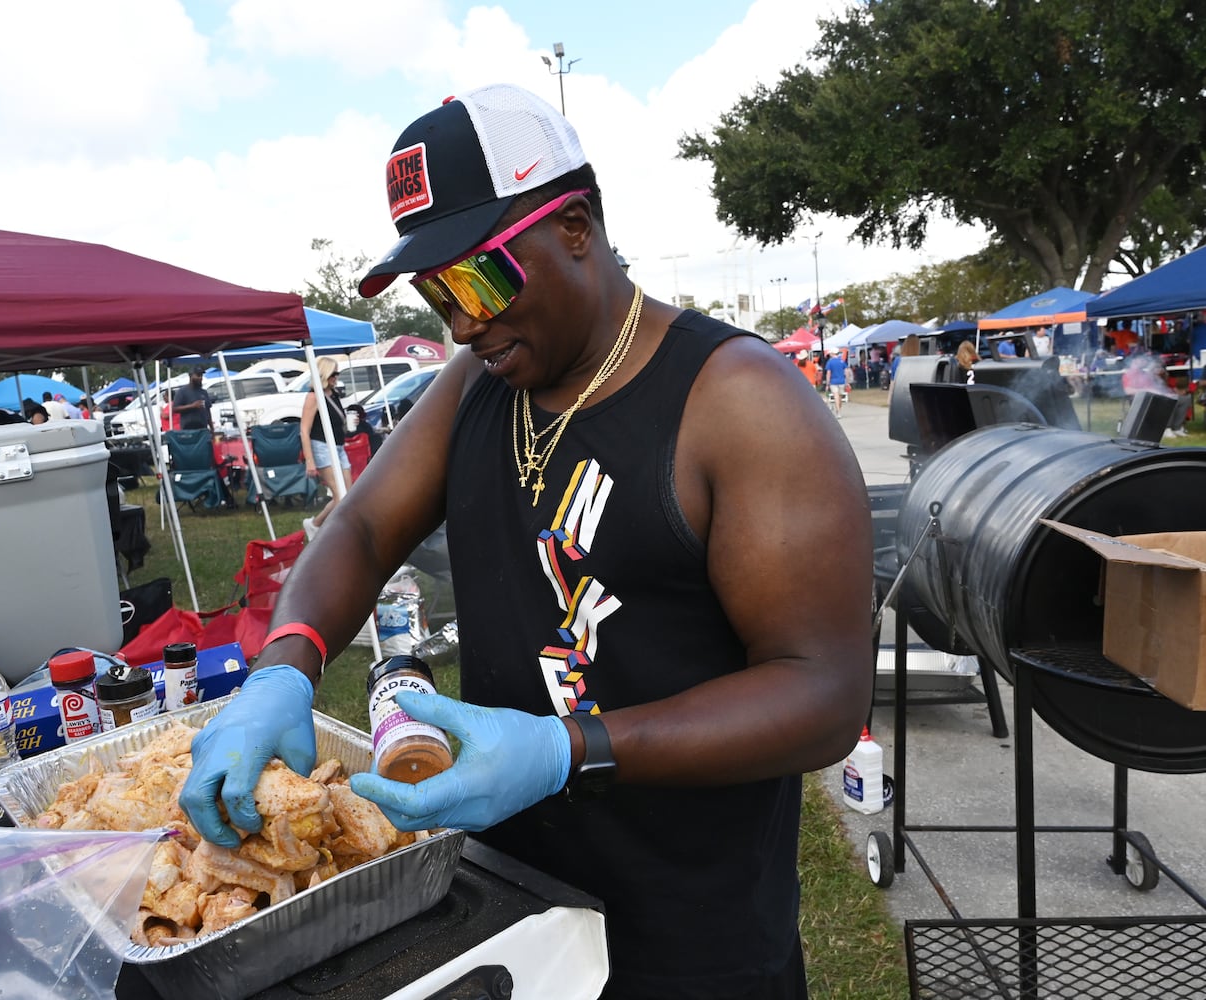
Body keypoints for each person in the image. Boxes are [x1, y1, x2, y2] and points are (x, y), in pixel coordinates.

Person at [179, 83, 872, 998]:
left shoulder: (736, 402)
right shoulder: (476, 383)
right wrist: (285, 666)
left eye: (477, 278)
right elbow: (361, 524)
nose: (461, 322)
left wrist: (565, 751)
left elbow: (820, 695)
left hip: (686, 935)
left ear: (575, 225)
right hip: (511, 904)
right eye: (437, 293)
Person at [299, 357, 354, 536]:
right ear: (324, 373)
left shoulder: (334, 394)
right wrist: (310, 461)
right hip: (322, 446)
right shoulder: (314, 396)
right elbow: (304, 430)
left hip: (338, 446)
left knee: (348, 494)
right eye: (333, 373)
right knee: (340, 496)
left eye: (337, 373)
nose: (336, 377)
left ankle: (318, 525)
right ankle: (323, 527)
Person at [172, 366, 213, 431]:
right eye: (198, 375)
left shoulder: (204, 392)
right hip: (188, 430)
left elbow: (208, 412)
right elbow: (174, 409)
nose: (200, 378)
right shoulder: (182, 391)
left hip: (203, 430)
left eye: (201, 376)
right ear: (191, 376)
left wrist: (212, 429)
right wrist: (192, 406)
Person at [823, 350, 850, 416]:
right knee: (840, 396)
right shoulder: (842, 361)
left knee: (836, 396)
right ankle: (839, 410)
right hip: (841, 381)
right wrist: (847, 382)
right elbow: (846, 372)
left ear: (832, 354)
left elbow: (828, 373)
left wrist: (827, 383)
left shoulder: (830, 362)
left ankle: (838, 411)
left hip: (833, 381)